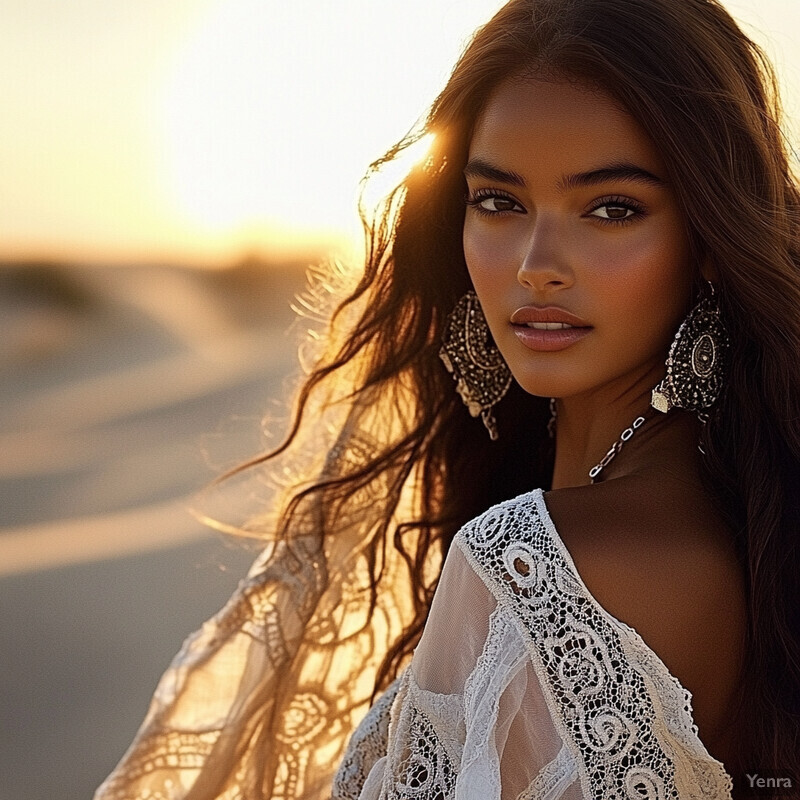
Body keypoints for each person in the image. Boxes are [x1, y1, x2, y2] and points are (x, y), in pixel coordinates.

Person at [94, 0, 800, 798]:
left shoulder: (541, 561)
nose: (536, 264)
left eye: (612, 208)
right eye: (499, 201)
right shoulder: (739, 524)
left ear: (709, 239)